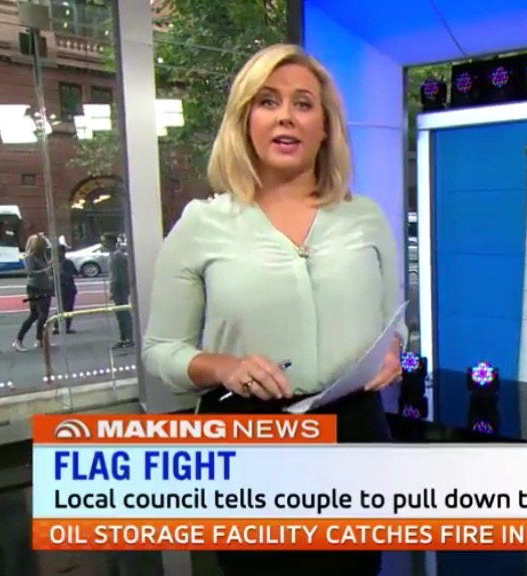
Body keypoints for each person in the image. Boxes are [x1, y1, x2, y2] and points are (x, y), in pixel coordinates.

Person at [141, 44, 405, 576]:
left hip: (354, 432)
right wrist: (224, 367)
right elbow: (161, 351)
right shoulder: (201, 225)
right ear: (245, 121)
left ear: (325, 127)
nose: (286, 116)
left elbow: (392, 321)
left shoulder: (366, 218)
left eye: (303, 103)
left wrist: (393, 349)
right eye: (268, 101)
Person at [13, 234, 53, 351]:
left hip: (44, 287)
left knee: (35, 315)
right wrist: (46, 270)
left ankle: (33, 340)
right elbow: (30, 273)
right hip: (35, 288)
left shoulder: (42, 256)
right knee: (41, 314)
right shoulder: (30, 257)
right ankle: (34, 339)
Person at [101, 233, 133, 349]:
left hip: (120, 289)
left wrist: (113, 291)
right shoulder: (114, 255)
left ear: (111, 242)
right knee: (121, 315)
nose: (103, 244)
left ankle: (128, 338)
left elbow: (116, 276)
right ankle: (124, 338)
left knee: (123, 314)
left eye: (104, 241)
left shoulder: (117, 256)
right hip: (120, 288)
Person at [52, 244, 78, 334]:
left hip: (59, 288)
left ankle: (56, 326)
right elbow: (74, 272)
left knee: (60, 308)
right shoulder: (67, 262)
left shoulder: (53, 263)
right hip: (68, 288)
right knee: (68, 308)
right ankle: (66, 327)